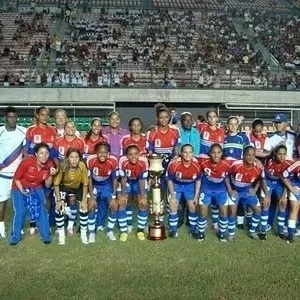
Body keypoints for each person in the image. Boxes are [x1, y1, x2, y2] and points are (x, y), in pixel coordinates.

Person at [9, 143, 55, 245]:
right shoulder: (27, 162)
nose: (44, 156)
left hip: (36, 187)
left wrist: (51, 176)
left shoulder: (49, 165)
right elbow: (16, 178)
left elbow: (47, 185)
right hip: (19, 186)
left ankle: (46, 236)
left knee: (41, 209)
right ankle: (15, 236)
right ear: (36, 154)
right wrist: (22, 191)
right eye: (41, 153)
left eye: (47, 153)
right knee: (21, 211)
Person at [24, 106, 57, 234]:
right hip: (33, 169)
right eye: (42, 114)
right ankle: (33, 225)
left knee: (47, 196)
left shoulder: (53, 130)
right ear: (37, 115)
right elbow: (26, 148)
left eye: (47, 115)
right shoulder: (31, 130)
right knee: (33, 197)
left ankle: (46, 224)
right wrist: (26, 160)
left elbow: (53, 152)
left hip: (47, 169)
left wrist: (57, 166)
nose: (45, 117)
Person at [226, 146, 265, 241]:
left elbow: (261, 178)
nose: (251, 158)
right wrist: (230, 190)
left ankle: (252, 231)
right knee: (232, 211)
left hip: (247, 190)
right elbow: (226, 176)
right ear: (243, 155)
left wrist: (255, 189)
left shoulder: (258, 167)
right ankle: (231, 234)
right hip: (235, 191)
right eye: (248, 155)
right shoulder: (236, 165)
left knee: (258, 210)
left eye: (253, 155)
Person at [0, 106, 26, 238]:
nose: (12, 119)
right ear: (5, 118)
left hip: (18, 176)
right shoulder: (0, 131)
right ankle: (1, 228)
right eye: (9, 117)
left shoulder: (23, 131)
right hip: (3, 174)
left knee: (19, 203)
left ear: (17, 118)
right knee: (2, 201)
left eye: (14, 117)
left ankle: (19, 227)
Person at [53, 148, 89, 245]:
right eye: (71, 157)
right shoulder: (63, 166)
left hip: (77, 188)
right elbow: (56, 184)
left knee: (84, 208)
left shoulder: (82, 166)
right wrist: (59, 200)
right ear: (67, 158)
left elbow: (85, 184)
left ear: (80, 158)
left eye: (77, 157)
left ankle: (83, 235)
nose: (74, 160)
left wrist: (84, 200)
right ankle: (61, 236)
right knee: (59, 208)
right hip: (63, 187)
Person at [197, 144, 231, 242]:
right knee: (203, 211)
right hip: (206, 189)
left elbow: (241, 161)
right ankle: (201, 232)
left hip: (221, 190)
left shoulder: (228, 163)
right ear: (209, 154)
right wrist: (177, 157)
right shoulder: (203, 161)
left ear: (222, 153)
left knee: (224, 212)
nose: (216, 155)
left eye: (219, 152)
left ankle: (222, 233)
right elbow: (189, 157)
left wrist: (257, 161)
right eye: (213, 152)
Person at [167, 144, 201, 239]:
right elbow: (169, 180)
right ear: (181, 153)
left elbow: (198, 181)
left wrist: (196, 196)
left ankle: (193, 230)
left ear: (193, 153)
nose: (188, 154)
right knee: (173, 205)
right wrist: (173, 196)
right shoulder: (174, 164)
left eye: (190, 152)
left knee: (192, 206)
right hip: (176, 185)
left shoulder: (197, 165)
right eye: (185, 152)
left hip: (189, 186)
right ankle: (173, 230)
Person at [87, 142, 118, 241]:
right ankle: (91, 232)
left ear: (108, 153)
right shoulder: (91, 160)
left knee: (114, 206)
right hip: (94, 185)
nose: (102, 154)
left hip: (106, 185)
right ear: (96, 152)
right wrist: (91, 196)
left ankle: (110, 231)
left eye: (105, 152)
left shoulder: (113, 161)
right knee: (91, 205)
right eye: (100, 152)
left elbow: (114, 180)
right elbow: (89, 179)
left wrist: (113, 196)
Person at [224, 116, 250, 229]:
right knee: (228, 195)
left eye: (235, 124)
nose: (233, 126)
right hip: (226, 172)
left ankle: (240, 221)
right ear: (227, 125)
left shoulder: (243, 138)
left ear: (238, 125)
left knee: (239, 197)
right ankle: (226, 218)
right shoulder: (223, 138)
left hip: (239, 172)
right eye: (231, 124)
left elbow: (249, 153)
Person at [261, 145, 292, 239]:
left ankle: (280, 231)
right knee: (266, 202)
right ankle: (263, 231)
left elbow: (288, 181)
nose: (282, 156)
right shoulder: (268, 161)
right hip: (268, 182)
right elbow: (263, 178)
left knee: (282, 203)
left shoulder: (289, 163)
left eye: (284, 154)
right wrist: (267, 195)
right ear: (275, 154)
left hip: (281, 184)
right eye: (279, 154)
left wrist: (283, 196)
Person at [118, 145, 149, 241]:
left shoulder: (143, 161)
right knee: (123, 203)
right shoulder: (123, 161)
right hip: (127, 182)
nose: (133, 157)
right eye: (130, 154)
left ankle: (140, 230)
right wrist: (123, 195)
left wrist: (143, 196)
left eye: (136, 154)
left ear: (139, 154)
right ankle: (124, 230)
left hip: (139, 182)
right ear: (127, 155)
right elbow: (123, 179)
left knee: (143, 204)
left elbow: (142, 180)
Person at [282, 160, 300, 243]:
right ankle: (291, 235)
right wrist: (290, 187)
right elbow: (284, 174)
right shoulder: (298, 163)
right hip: (297, 188)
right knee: (294, 210)